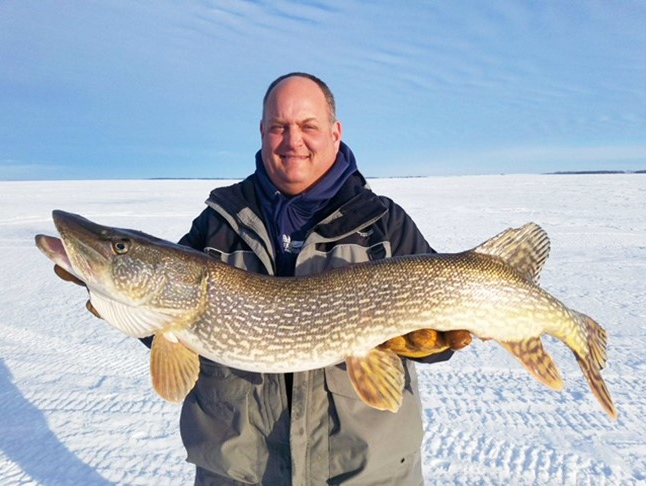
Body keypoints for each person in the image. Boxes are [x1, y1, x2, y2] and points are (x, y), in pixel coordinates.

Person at [175, 72, 457, 485]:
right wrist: (123, 303)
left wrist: (434, 341)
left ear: (334, 132)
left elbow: (446, 335)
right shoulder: (219, 223)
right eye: (279, 127)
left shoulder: (384, 225)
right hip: (242, 472)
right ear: (262, 132)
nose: (293, 141)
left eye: (308, 126)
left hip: (365, 474)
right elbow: (173, 330)